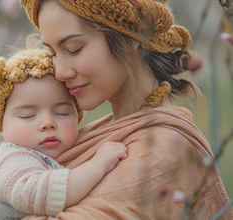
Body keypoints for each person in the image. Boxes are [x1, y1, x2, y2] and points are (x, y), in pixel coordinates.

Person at [18, 0, 233, 219]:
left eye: (74, 49)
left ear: (131, 36)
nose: (60, 72)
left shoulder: (163, 151)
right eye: (53, 53)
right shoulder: (92, 134)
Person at [0, 48, 128, 219]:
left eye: (62, 112)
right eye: (27, 115)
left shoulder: (72, 147)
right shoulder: (11, 160)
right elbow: (46, 194)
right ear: (1, 125)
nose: (48, 123)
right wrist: (99, 164)